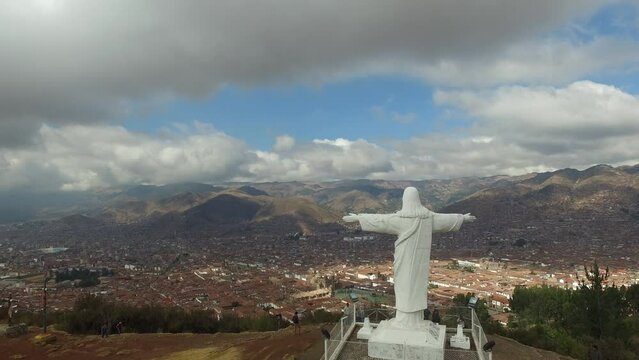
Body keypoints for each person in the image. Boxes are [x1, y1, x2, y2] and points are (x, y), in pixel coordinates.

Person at [343, 187, 475, 329]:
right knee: (416, 285)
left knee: (403, 285)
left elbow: (381, 220)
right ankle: (414, 319)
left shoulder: (400, 219)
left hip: (403, 259)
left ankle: (404, 320)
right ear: (418, 200)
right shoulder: (428, 218)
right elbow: (445, 220)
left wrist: (359, 218)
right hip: (420, 262)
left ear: (404, 200)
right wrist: (462, 218)